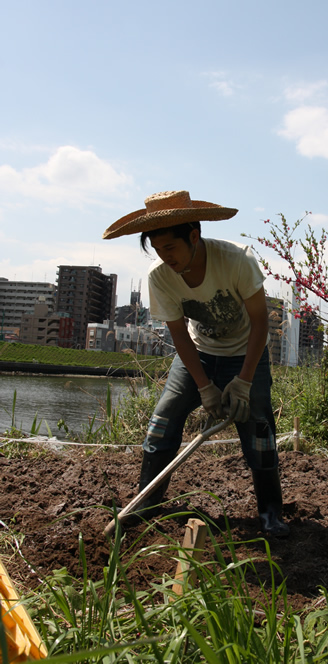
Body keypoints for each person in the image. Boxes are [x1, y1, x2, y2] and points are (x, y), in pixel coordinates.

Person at [103, 190, 289, 537]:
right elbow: (179, 335)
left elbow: (261, 323)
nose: (165, 257)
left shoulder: (236, 260)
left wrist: (245, 381)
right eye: (158, 250)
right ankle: (146, 503)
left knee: (259, 429)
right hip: (199, 353)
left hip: (245, 353)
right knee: (163, 419)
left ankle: (270, 514)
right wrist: (204, 385)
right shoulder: (160, 275)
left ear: (193, 235)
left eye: (170, 248)